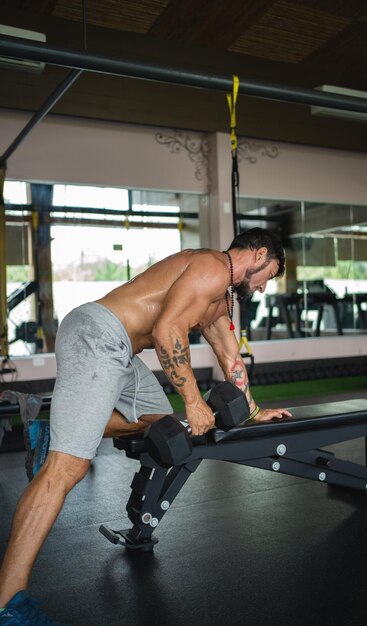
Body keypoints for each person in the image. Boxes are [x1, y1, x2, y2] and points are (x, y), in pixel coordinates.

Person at [0, 227, 291, 625]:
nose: (260, 289)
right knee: (66, 468)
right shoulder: (211, 267)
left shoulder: (219, 301)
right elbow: (167, 330)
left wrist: (255, 411)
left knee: (164, 426)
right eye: (267, 277)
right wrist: (193, 398)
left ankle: (58, 428)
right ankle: (6, 604)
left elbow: (231, 359)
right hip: (99, 333)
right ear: (257, 255)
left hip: (124, 351)